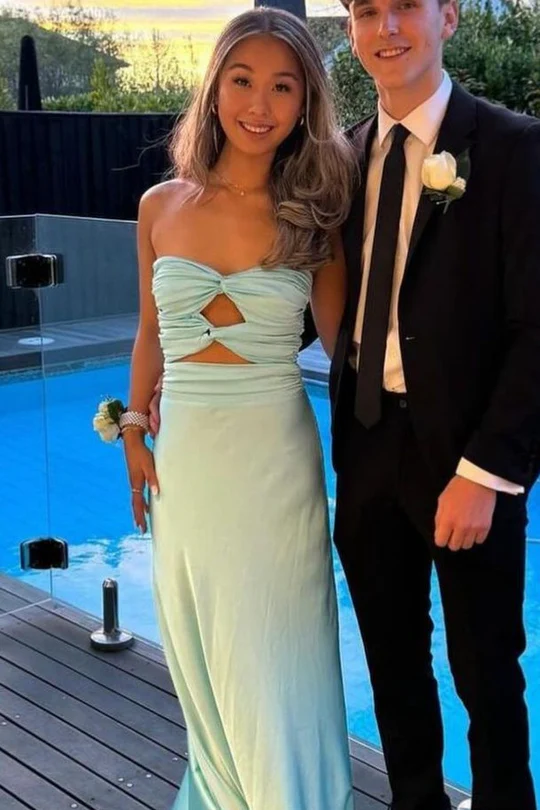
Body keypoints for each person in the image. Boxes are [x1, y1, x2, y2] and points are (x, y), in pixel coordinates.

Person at [122, 8, 357, 810]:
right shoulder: (159, 205)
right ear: (214, 88)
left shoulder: (316, 213)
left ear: (305, 102)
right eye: (243, 80)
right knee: (205, 646)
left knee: (279, 650)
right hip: (187, 462)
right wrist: (132, 428)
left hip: (274, 462)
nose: (260, 104)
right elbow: (151, 331)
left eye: (283, 87)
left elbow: (345, 350)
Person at [330, 0, 540, 808]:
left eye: (406, 6)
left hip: (467, 454)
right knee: (391, 662)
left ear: (448, 17)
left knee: (487, 672)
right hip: (365, 441)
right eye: (367, 10)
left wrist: (485, 473)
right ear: (351, 29)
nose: (387, 27)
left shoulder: (514, 148)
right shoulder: (342, 156)